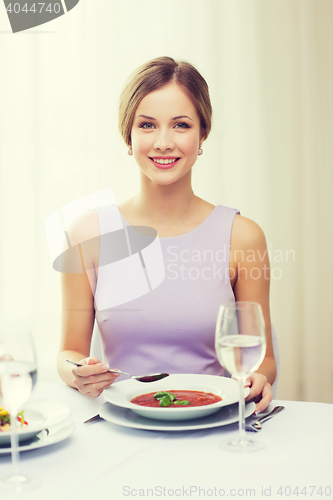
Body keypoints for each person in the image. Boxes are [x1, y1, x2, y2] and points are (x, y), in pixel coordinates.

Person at [57, 56, 276, 413]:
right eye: (146, 125)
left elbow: (262, 358)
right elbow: (68, 353)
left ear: (202, 134)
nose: (163, 142)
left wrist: (259, 377)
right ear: (128, 134)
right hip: (122, 426)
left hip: (211, 424)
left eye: (180, 125)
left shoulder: (242, 236)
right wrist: (77, 371)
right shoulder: (87, 234)